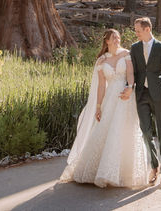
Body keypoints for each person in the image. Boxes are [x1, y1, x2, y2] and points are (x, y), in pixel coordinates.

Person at [60, 29, 151, 188]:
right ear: (107, 41)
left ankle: (124, 173)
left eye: (118, 37)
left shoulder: (126, 54)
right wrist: (98, 106)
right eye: (113, 37)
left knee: (124, 130)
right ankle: (101, 170)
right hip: (110, 99)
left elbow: (130, 73)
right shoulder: (101, 61)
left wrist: (130, 87)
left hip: (125, 96)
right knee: (107, 130)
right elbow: (102, 86)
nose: (117, 39)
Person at [131, 16, 161, 188]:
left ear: (147, 29)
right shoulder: (134, 48)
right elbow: (132, 72)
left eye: (138, 30)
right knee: (146, 131)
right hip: (141, 94)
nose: (136, 33)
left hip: (159, 95)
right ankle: (154, 165)